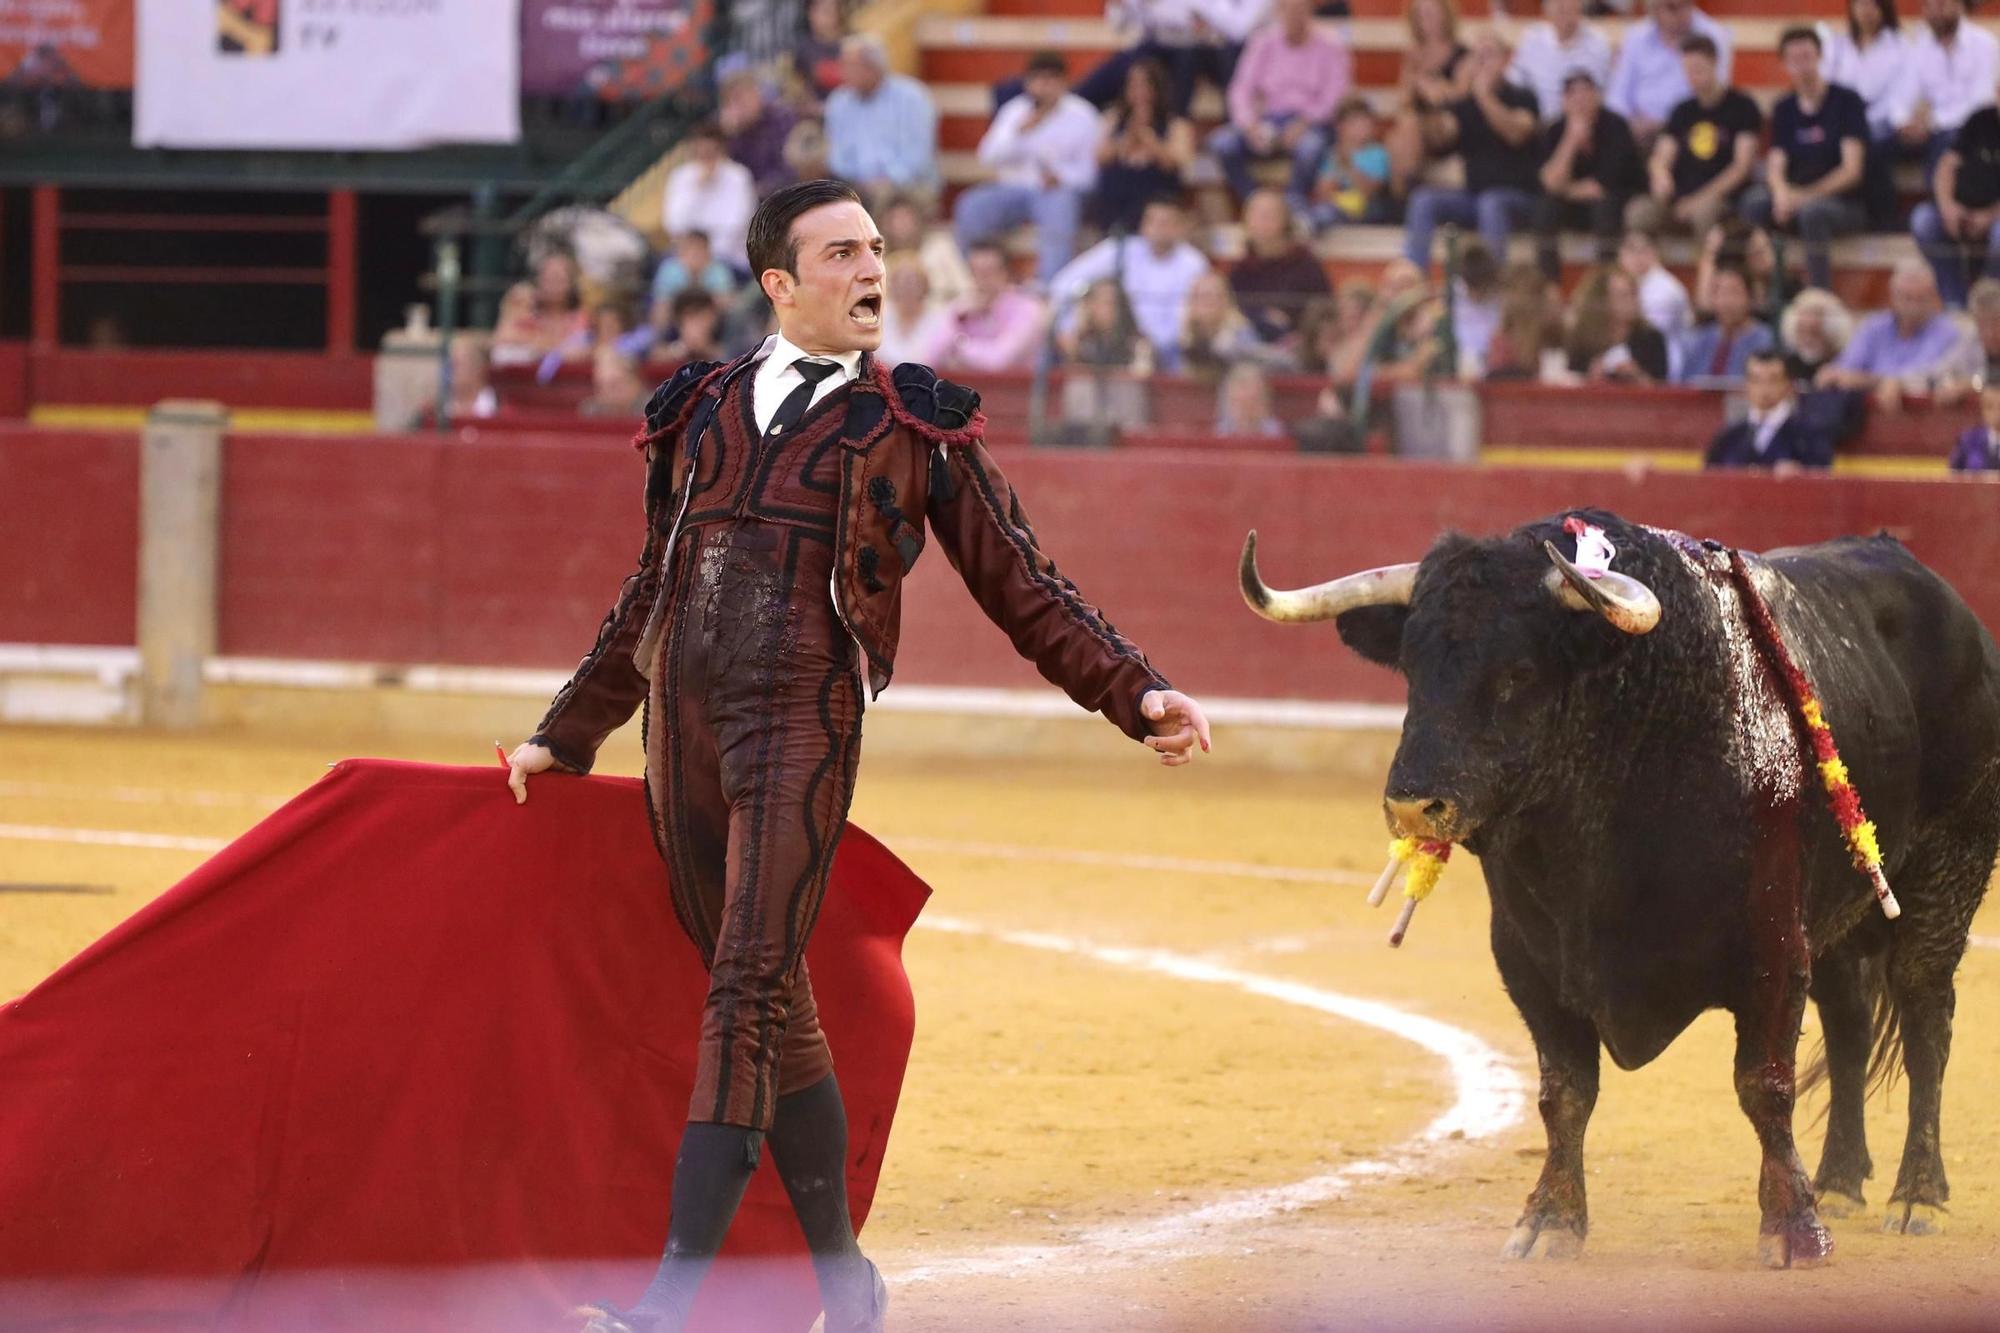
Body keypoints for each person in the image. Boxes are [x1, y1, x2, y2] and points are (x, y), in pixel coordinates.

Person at [524, 180, 1211, 1333]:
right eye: (841, 252)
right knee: (767, 994)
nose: (871, 270)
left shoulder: (913, 420)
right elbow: (651, 587)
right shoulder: (699, 407)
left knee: (744, 990)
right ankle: (843, 1282)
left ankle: (672, 1304)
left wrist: (1134, 689)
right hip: (676, 735)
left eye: (879, 250)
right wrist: (566, 729)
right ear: (777, 284)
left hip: (801, 725)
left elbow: (1021, 583)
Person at [956, 50, 1102, 286]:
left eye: (1050, 80)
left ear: (1064, 82)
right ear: (1028, 83)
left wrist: (1062, 177)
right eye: (1038, 80)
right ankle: (974, 280)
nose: (1043, 87)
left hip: (1056, 192)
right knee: (972, 206)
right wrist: (1019, 132)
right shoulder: (1015, 111)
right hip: (1013, 189)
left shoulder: (1083, 116)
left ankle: (1049, 288)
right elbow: (987, 156)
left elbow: (1090, 173)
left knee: (1060, 210)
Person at [1402, 29, 1542, 272]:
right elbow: (1438, 137)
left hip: (1518, 198)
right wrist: (1426, 88)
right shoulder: (1466, 104)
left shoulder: (1523, 96)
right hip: (1472, 197)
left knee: (1492, 202)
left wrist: (1484, 96)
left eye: (1489, 55)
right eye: (1477, 57)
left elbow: (1516, 133)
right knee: (1423, 200)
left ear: (1505, 59)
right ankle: (1413, 280)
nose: (1483, 62)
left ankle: (1489, 285)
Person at [1742, 27, 1869, 293]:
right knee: (1754, 203)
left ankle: (1819, 296)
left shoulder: (1846, 101)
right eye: (1794, 58)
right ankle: (1767, 290)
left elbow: (1851, 170)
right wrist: (1781, 194)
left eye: (1807, 56)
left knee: (1813, 213)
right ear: (1784, 64)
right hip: (1798, 195)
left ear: (1820, 57)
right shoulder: (1784, 108)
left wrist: (1803, 197)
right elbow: (1775, 164)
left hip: (1847, 202)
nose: (1802, 65)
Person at [1208, 0, 1350, 206]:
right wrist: (1250, 125)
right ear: (1278, 12)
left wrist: (1304, 123)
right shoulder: (1262, 42)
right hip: (1267, 121)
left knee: (1311, 148)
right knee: (1222, 144)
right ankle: (1255, 202)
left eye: (1300, 9)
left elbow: (1335, 96)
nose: (1294, 16)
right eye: (1289, 9)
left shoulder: (1331, 45)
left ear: (1310, 11)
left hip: (1311, 123)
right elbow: (1241, 90)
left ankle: (1293, 205)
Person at [1050, 195, 1212, 371]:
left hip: (1174, 350)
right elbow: (1064, 284)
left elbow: (1191, 316)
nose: (1159, 228)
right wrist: (1067, 328)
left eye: (1167, 222)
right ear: (1143, 225)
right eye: (1153, 221)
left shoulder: (1193, 263)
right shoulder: (1121, 249)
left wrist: (1151, 345)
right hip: (1119, 346)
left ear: (1180, 228)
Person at [1629, 35, 1763, 239]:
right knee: (1639, 212)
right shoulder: (1682, 111)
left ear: (1715, 63)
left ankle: (1708, 268)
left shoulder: (1742, 107)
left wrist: (1699, 199)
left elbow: (1741, 168)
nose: (1692, 76)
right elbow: (1662, 155)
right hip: (1679, 198)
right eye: (1687, 70)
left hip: (1722, 198)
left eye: (1698, 69)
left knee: (1704, 212)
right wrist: (1659, 174)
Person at [1534, 71, 1642, 278]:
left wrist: (1563, 190)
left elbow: (1601, 186)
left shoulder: (1615, 126)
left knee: (1605, 207)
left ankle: (1605, 279)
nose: (1580, 101)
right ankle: (1548, 283)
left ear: (1598, 96)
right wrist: (1571, 141)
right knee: (1545, 208)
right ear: (1564, 101)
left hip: (1616, 199)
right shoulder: (1555, 130)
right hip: (1575, 203)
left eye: (1586, 93)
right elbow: (1549, 183)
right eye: (1573, 95)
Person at [1816, 258, 1961, 407]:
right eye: (1906, 298)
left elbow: (1923, 378)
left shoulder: (1947, 333)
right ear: (1892, 297)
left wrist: (1869, 381)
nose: (1913, 306)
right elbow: (1844, 371)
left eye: (1920, 299)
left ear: (1934, 298)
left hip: (1923, 418)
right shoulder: (1873, 327)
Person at [1883, 0, 1999, 181]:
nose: (1935, 12)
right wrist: (1903, 123)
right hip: (1929, 128)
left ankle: (1938, 208)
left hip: (1972, 128)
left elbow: (1981, 101)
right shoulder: (1921, 47)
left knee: (1947, 142)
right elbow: (1901, 95)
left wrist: (1933, 123)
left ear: (1959, 5)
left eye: (1941, 4)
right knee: (1875, 145)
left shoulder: (1984, 44)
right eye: (1928, 6)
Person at [1087, 55, 1197, 234]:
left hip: (1157, 195)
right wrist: (1127, 139)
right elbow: (1100, 158)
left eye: (1145, 85)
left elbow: (1177, 164)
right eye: (1133, 85)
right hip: (1117, 198)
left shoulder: (1175, 124)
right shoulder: (1113, 119)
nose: (1139, 92)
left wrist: (1150, 140)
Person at [1911, 85, 2000, 307]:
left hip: (1995, 216)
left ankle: (1987, 300)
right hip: (1961, 208)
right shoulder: (1980, 120)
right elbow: (1947, 165)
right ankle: (1954, 302)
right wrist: (1947, 206)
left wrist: (1989, 216)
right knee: (1923, 221)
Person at [824, 34, 939, 203]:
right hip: (855, 186)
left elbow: (917, 156)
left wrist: (886, 182)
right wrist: (859, 183)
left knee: (891, 204)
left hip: (909, 185)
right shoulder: (839, 102)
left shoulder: (912, 98)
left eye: (850, 66)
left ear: (872, 67)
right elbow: (837, 156)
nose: (843, 72)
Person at [1604, 0, 1733, 147]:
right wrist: (1628, 125)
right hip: (1637, 134)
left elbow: (1715, 96)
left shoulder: (1713, 35)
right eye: (1672, 7)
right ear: (1654, 9)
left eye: (1686, 5)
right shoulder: (1635, 36)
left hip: (1689, 133)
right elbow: (1617, 97)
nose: (1681, 12)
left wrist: (1666, 125)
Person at [1385, 0, 1471, 193]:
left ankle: (1401, 201)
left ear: (1445, 15)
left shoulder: (1462, 55)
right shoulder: (1412, 56)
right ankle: (1404, 198)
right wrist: (1420, 84)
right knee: (1400, 135)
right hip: (1417, 124)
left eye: (1432, 12)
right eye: (1421, 13)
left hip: (1451, 124)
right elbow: (1404, 100)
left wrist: (1428, 85)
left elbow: (1459, 99)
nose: (1427, 19)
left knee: (1408, 131)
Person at [1703, 348, 1834, 470]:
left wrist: (1801, 474)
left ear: (1789, 385)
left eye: (1773, 380)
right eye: (1756, 380)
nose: (1764, 388)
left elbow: (1822, 478)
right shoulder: (1728, 437)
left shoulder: (1809, 434)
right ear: (1745, 385)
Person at [1232, 186, 1333, 344]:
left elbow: (1324, 311)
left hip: (1298, 345)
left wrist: (1292, 324)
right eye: (1256, 215)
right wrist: (1263, 317)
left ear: (1285, 220)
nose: (1261, 222)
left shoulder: (1305, 264)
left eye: (1268, 215)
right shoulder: (1241, 269)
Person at [936, 241, 1049, 373]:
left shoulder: (1029, 309)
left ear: (1006, 273)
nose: (982, 279)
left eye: (989, 271)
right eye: (976, 272)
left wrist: (958, 345)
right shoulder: (961, 308)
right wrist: (958, 319)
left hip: (1017, 391)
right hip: (966, 390)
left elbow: (999, 360)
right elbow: (930, 358)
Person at [660, 126, 759, 271]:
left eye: (711, 152)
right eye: (701, 152)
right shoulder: (680, 176)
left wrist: (707, 255)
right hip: (686, 256)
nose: (706, 157)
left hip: (727, 256)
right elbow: (673, 223)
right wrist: (697, 189)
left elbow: (739, 223)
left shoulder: (739, 176)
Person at [1509, 0, 1613, 121]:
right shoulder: (1531, 40)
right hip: (1540, 127)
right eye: (1557, 3)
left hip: (1587, 124)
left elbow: (1607, 94)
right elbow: (1513, 85)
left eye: (1568, 3)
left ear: (1580, 6)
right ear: (1546, 8)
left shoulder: (1598, 44)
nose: (1563, 7)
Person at [1820, 0, 1908, 141]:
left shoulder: (1900, 45)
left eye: (1873, 4)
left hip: (1883, 122)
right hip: (1842, 119)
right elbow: (1826, 84)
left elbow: (1902, 93)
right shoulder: (1836, 45)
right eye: (1861, 4)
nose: (1867, 10)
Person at [1567, 264, 1670, 381]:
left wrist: (1636, 375)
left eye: (1633, 294)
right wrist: (1591, 376)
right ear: (1603, 300)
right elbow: (1571, 380)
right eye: (1622, 296)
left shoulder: (1651, 338)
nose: (1631, 301)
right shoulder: (1582, 337)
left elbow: (1662, 388)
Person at [1308, 95, 1395, 232]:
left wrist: (1349, 165)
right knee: (1322, 212)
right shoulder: (1335, 154)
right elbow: (1322, 191)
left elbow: (1369, 191)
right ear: (1341, 128)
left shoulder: (1378, 153)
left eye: (1366, 123)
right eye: (1355, 124)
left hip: (1368, 209)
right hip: (1339, 206)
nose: (1363, 128)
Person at [1675, 263, 1775, 383]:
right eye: (1719, 293)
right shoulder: (1699, 340)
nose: (1726, 301)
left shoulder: (1766, 340)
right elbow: (1683, 385)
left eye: (1734, 292)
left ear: (1750, 297)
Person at [879, 192, 973, 307]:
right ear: (884, 224)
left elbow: (966, 288)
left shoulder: (941, 247)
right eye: (895, 218)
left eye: (906, 217)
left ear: (918, 219)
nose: (901, 224)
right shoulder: (876, 259)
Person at [719, 67, 799, 196]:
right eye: (731, 100)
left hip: (782, 194)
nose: (739, 106)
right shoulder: (731, 132)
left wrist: (758, 190)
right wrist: (729, 136)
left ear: (757, 94)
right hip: (745, 198)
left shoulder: (781, 117)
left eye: (741, 97)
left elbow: (789, 167)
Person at [649, 231, 741, 337]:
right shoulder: (669, 269)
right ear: (681, 253)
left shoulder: (718, 269)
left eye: (699, 250)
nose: (694, 255)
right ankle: (662, 345)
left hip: (713, 321)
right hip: (676, 318)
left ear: (708, 252)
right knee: (660, 312)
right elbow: (661, 301)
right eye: (690, 250)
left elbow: (727, 301)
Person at [875, 255, 956, 367]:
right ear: (892, 286)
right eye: (900, 281)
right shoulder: (878, 316)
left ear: (924, 286)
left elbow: (937, 358)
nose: (907, 287)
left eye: (913, 282)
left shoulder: (939, 318)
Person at [1618, 227, 1693, 341]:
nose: (1637, 257)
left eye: (1643, 250)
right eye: (1631, 249)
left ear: (1655, 253)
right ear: (1620, 254)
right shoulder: (1622, 283)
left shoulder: (1665, 289)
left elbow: (1650, 335)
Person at [1934, 276, 2000, 402]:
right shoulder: (1970, 338)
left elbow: (1990, 380)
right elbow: (1940, 371)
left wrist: (1973, 384)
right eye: (1983, 324)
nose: (1989, 332)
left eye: (1996, 323)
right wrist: (1948, 385)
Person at [1779, 287, 1855, 382]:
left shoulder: (1846, 366)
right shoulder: (1783, 367)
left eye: (1814, 332)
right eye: (1802, 331)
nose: (1808, 340)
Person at [1215, 361, 1287, 435]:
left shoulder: (1276, 432)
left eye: (1255, 400)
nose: (1248, 396)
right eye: (1238, 401)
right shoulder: (1221, 431)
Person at [1947, 379, 2000, 471]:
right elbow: (1953, 477)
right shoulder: (1968, 441)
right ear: (1982, 408)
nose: (1996, 413)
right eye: (1989, 406)